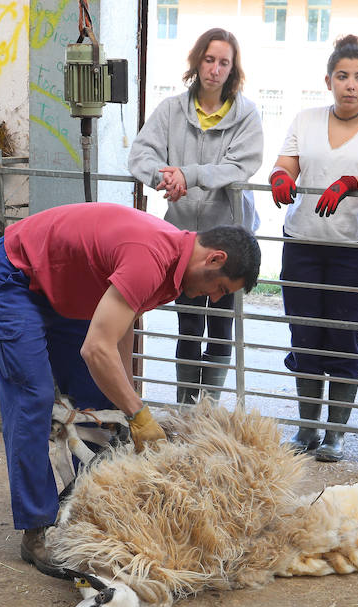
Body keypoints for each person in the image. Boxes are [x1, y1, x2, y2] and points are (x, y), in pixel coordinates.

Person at [0, 202, 260, 574]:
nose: (216, 297)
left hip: (63, 288)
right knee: (33, 395)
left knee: (97, 400)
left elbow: (121, 330)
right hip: (15, 274)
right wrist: (138, 414)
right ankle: (36, 526)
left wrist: (122, 398)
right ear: (214, 258)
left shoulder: (172, 269)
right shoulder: (151, 257)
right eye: (221, 287)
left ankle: (85, 505)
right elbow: (96, 348)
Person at [269, 34, 358, 462]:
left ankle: (335, 434)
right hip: (302, 244)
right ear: (328, 80)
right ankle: (307, 428)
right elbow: (287, 160)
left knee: (344, 339)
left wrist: (351, 184)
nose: (350, 84)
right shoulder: (305, 119)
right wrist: (279, 177)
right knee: (305, 336)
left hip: (354, 249)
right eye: (342, 76)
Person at [128, 27, 263, 405]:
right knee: (187, 323)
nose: (215, 69)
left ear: (233, 69)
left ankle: (210, 409)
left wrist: (192, 174)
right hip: (182, 236)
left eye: (224, 62)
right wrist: (166, 178)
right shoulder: (171, 110)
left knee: (221, 325)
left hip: (230, 235)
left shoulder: (246, 114)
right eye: (209, 59)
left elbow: (242, 164)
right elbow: (140, 155)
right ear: (197, 61)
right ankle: (186, 408)